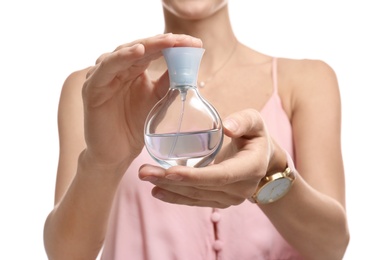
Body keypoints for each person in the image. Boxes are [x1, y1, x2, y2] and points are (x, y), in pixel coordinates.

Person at [43, 1, 350, 259]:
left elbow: (331, 246)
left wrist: (270, 173)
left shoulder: (306, 81)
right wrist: (104, 161)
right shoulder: (98, 90)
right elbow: (67, 255)